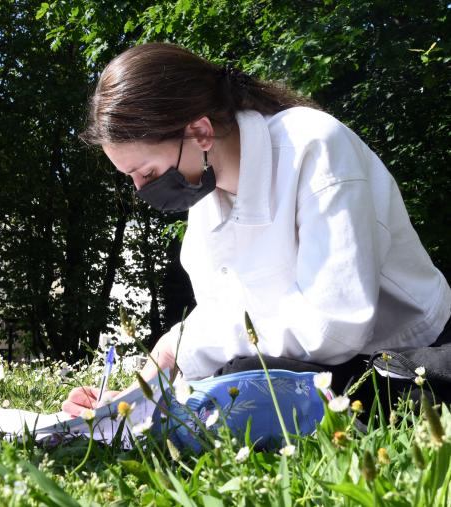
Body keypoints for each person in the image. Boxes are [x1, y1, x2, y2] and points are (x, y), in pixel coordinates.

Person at [62, 43, 451, 416]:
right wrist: (137, 395)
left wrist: (180, 350)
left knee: (233, 384)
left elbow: (333, 326)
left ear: (200, 133)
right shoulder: (207, 205)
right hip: (321, 366)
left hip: (407, 358)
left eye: (147, 173)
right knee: (224, 387)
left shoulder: (314, 146)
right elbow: (223, 317)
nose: (142, 190)